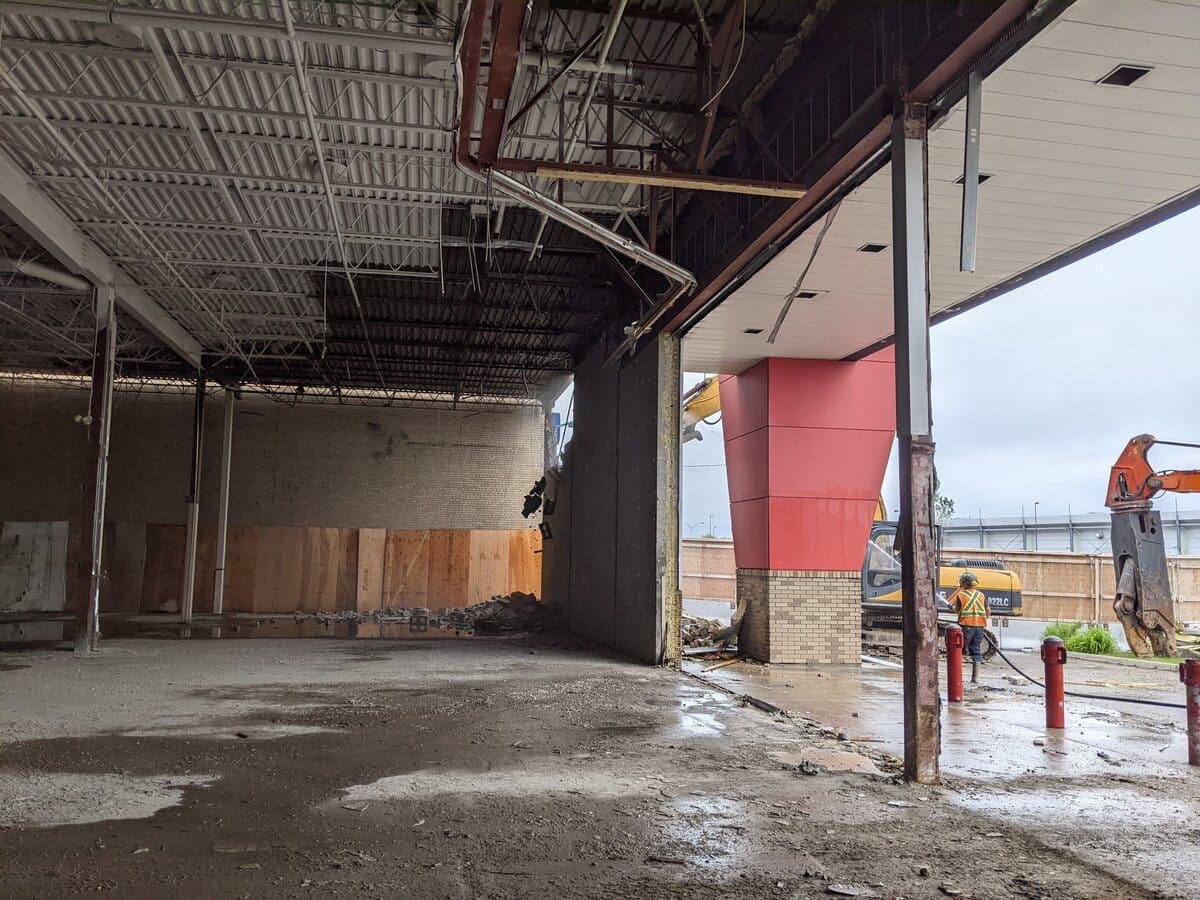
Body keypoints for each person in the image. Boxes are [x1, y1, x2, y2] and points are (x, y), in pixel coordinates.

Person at [948, 571, 990, 683]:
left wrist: (950, 608)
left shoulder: (961, 595)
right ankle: (975, 678)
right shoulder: (981, 595)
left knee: (959, 649)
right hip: (980, 625)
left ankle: (957, 677)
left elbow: (956, 609)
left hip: (966, 625)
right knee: (976, 649)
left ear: (965, 583)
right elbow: (988, 611)